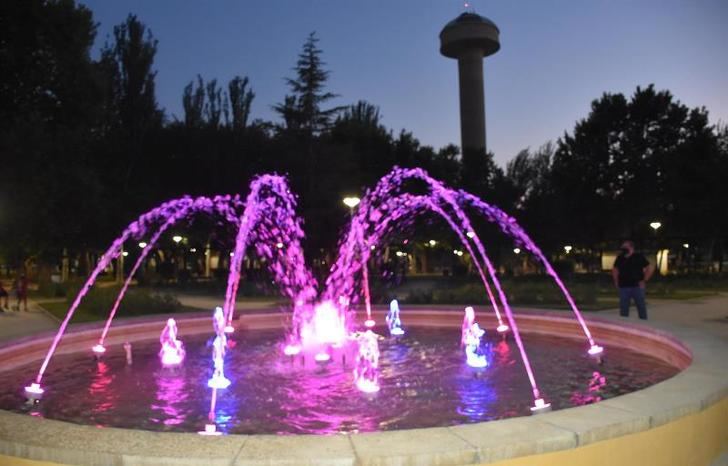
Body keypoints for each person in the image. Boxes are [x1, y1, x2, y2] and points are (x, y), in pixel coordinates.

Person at [612, 241, 654, 320]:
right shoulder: (620, 258)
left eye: (625, 247)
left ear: (631, 247)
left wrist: (645, 279)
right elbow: (615, 269)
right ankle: (624, 325)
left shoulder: (638, 257)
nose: (623, 249)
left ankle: (643, 324)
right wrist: (616, 281)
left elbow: (649, 268)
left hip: (637, 286)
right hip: (624, 286)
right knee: (624, 308)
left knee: (641, 306)